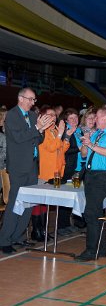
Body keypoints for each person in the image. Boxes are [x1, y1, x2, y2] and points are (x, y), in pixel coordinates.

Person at [0, 88, 54, 253]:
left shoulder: (32, 116)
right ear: (21, 98)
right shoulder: (12, 115)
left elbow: (38, 139)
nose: (33, 102)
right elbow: (18, 137)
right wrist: (37, 128)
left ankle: (18, 236)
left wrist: (41, 129)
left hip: (32, 166)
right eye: (30, 99)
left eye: (34, 100)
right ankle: (4, 240)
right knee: (15, 203)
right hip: (18, 166)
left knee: (28, 203)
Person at [75, 107, 106, 261]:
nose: (94, 120)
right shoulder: (96, 133)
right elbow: (84, 154)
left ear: (104, 118)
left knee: (91, 212)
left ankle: (91, 250)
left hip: (101, 176)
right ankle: (100, 249)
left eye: (96, 117)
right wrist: (85, 142)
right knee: (95, 213)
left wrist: (91, 144)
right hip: (89, 175)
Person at [31, 106, 70, 241]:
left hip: (56, 171)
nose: (53, 117)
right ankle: (36, 230)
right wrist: (60, 134)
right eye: (50, 115)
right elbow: (51, 147)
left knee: (46, 203)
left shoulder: (53, 130)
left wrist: (67, 136)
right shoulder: (44, 132)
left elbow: (62, 149)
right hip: (45, 171)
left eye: (54, 115)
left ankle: (42, 230)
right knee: (39, 202)